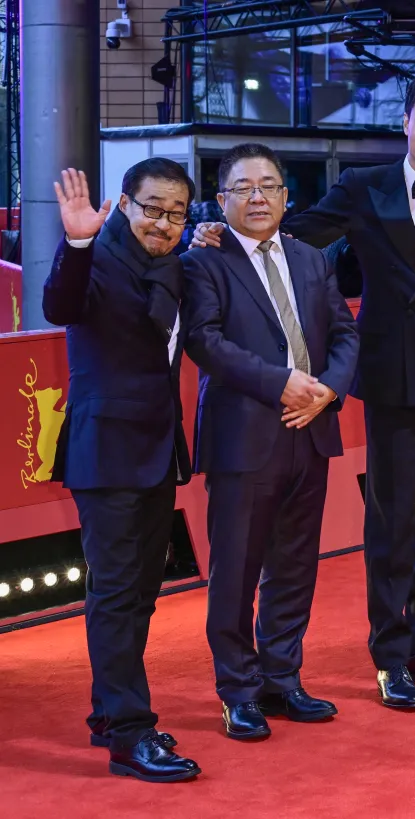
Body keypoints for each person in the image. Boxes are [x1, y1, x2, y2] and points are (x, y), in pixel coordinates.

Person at [191, 73, 415, 710]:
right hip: (391, 377)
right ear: (406, 124)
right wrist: (215, 231)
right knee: (391, 521)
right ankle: (390, 657)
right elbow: (289, 230)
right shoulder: (364, 187)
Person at [182, 143, 359, 738]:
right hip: (244, 434)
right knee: (234, 571)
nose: (258, 197)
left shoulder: (313, 258)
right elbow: (204, 342)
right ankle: (238, 690)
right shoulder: (203, 261)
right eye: (244, 187)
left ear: (287, 196)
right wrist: (283, 384)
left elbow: (344, 333)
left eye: (269, 186)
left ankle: (284, 680)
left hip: (311, 430)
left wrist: (328, 391)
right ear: (221, 199)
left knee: (294, 565)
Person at [43, 161, 200, 782]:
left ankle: (109, 711)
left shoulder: (176, 266)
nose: (163, 223)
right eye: (152, 209)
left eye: (176, 213)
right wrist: (78, 239)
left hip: (159, 449)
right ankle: (132, 734)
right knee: (115, 591)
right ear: (125, 205)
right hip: (105, 449)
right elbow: (60, 305)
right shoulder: (95, 256)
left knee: (139, 592)